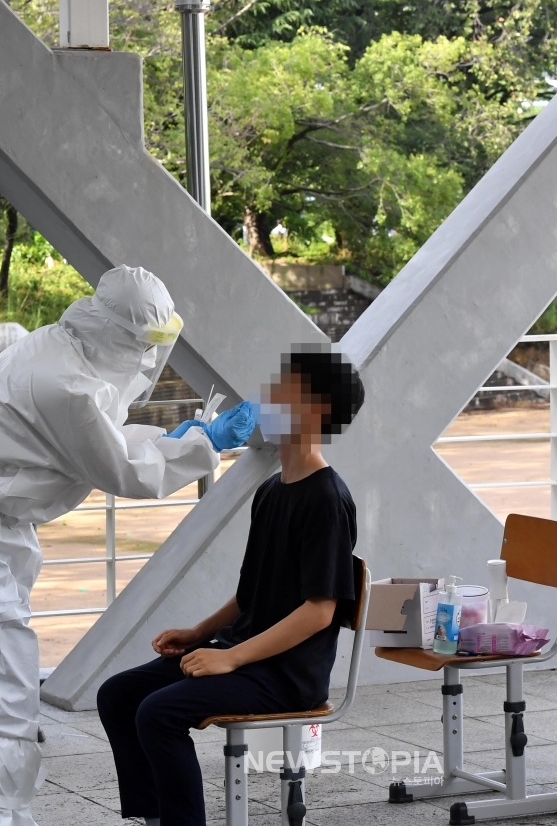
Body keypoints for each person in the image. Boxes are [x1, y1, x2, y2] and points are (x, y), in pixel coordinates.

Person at [0, 265, 255, 826]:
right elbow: (120, 467)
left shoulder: (64, 349)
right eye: (147, 345)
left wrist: (185, 437)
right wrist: (202, 443)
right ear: (125, 337)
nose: (148, 360)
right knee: (3, 702)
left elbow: (100, 440)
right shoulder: (69, 386)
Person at [96, 348, 365, 826]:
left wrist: (231, 658)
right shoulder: (271, 490)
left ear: (317, 410)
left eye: (286, 389)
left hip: (285, 676)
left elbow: (319, 611)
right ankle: (154, 817)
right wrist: (199, 634)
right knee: (118, 694)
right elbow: (250, 595)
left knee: (158, 714)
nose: (269, 397)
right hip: (243, 654)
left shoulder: (326, 498)